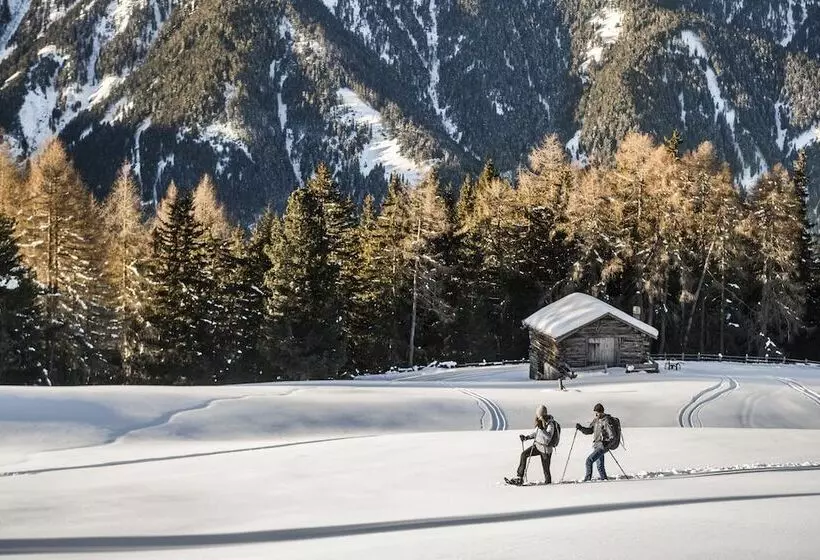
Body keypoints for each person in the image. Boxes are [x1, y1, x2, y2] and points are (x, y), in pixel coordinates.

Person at [508, 404, 557, 485]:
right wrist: (526, 437)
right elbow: (535, 433)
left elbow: (548, 437)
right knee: (524, 455)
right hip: (537, 446)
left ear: (542, 414)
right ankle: (520, 477)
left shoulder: (550, 424)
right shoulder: (540, 422)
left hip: (546, 450)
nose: (537, 417)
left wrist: (542, 429)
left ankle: (548, 485)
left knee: (546, 470)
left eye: (539, 415)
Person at [575, 403, 614, 482]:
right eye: (595, 412)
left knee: (589, 461)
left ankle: (587, 480)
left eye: (597, 412)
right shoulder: (596, 420)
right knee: (600, 466)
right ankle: (605, 480)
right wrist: (581, 428)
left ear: (602, 412)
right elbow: (589, 431)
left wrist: (606, 443)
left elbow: (612, 435)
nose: (596, 414)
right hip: (596, 445)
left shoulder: (606, 421)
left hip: (602, 446)